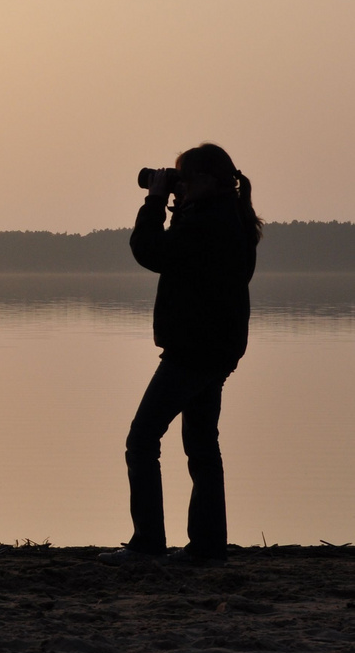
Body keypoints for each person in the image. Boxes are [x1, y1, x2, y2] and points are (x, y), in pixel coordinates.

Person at [99, 143, 262, 567]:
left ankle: (148, 543)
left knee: (142, 439)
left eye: (183, 179)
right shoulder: (227, 217)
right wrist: (178, 205)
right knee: (202, 445)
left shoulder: (209, 222)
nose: (178, 187)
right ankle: (208, 547)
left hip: (194, 350)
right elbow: (185, 260)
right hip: (216, 349)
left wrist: (155, 202)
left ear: (206, 181)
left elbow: (150, 251)